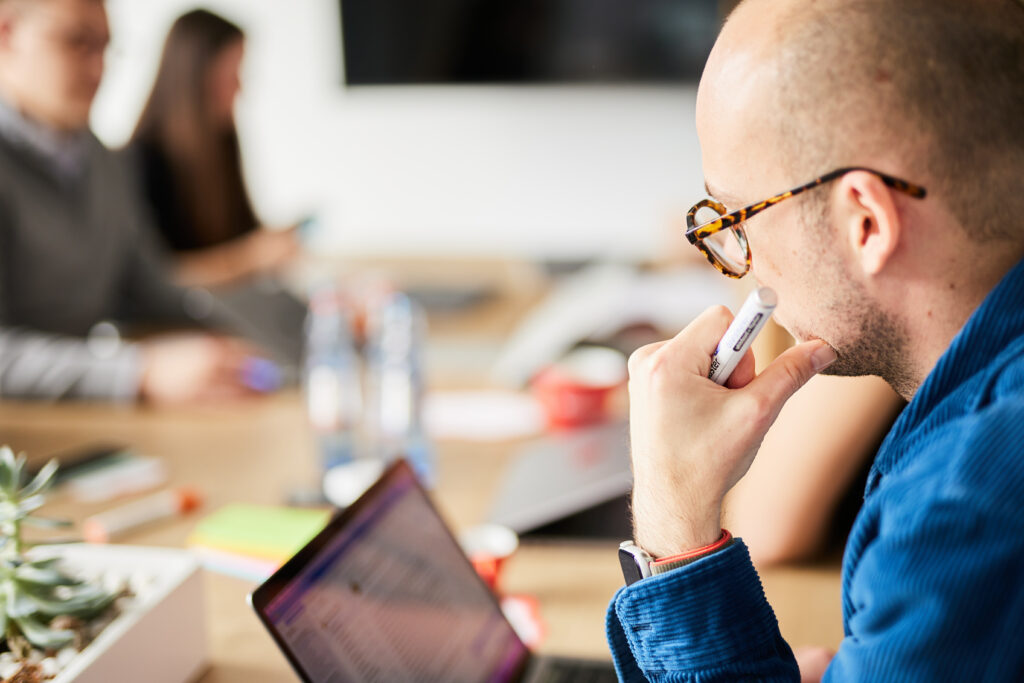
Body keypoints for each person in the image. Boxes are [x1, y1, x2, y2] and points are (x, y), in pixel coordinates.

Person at [608, 1, 1024, 682]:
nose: (741, 263)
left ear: (866, 222)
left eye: (738, 218)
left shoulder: (961, 507)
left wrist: (673, 526)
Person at [0, 0, 259, 404]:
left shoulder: (101, 160)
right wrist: (138, 372)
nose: (98, 69)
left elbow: (149, 287)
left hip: (76, 423)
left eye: (105, 48)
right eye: (77, 42)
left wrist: (237, 343)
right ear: (6, 34)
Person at [128, 9, 299, 290]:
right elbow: (153, 277)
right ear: (196, 77)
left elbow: (242, 235)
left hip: (229, 311)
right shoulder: (140, 161)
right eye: (232, 73)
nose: (240, 88)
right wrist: (252, 257)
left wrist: (268, 246)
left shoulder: (224, 143)